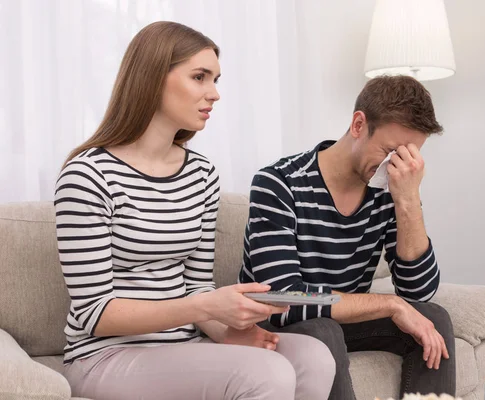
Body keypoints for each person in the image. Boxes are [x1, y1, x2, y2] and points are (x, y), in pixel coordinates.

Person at [54, 21, 335, 400]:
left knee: (315, 357)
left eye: (216, 79)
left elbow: (197, 285)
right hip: (105, 355)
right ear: (152, 79)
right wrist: (206, 306)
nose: (214, 93)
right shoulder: (87, 175)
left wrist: (229, 330)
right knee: (265, 374)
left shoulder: (201, 173)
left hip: (184, 344)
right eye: (199, 77)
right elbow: (95, 313)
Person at [239, 75, 456, 399]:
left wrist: (408, 200)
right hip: (275, 323)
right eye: (389, 151)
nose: (394, 165)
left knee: (433, 318)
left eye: (407, 156)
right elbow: (285, 298)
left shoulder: (391, 190)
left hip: (343, 320)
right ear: (358, 125)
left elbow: (419, 291)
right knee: (322, 331)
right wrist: (389, 305)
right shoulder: (278, 183)